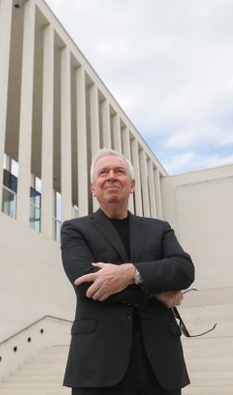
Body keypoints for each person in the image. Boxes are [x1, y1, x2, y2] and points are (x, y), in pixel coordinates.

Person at [60, 148, 195, 394]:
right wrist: (154, 291)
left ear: (131, 185)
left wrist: (130, 273)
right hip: (99, 364)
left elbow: (184, 269)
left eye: (119, 171)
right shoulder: (74, 230)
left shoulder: (159, 229)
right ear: (94, 187)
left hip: (160, 365)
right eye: (104, 172)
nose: (111, 176)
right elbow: (86, 284)